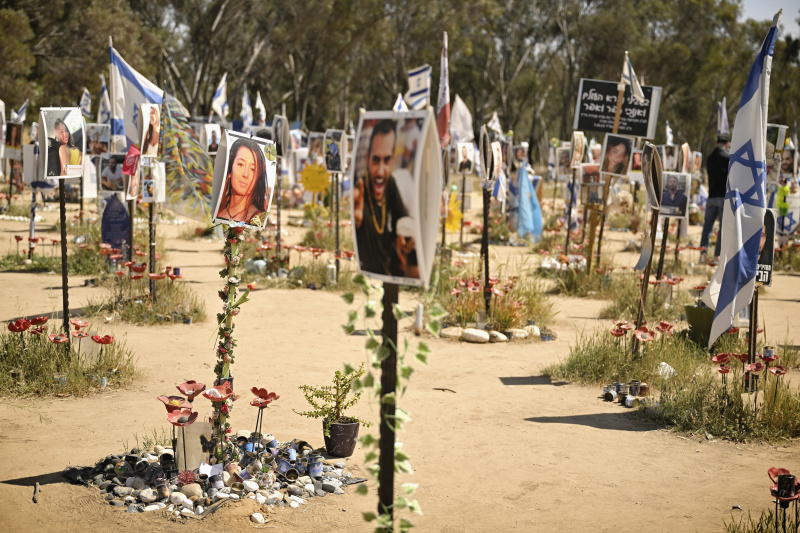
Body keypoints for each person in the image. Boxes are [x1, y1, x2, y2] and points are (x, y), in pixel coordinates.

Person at [353, 119, 417, 278]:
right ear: (367, 157)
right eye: (376, 159)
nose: (381, 172)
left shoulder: (391, 184)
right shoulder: (360, 190)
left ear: (393, 160)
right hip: (368, 280)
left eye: (387, 160)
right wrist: (356, 221)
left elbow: (400, 214)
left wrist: (403, 231)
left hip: (389, 275)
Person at [216, 137, 270, 224]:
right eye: (240, 164)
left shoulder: (259, 220)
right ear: (229, 170)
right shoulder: (217, 212)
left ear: (257, 177)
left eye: (253, 169)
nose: (245, 174)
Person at [700, 133, 731, 263]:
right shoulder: (728, 158)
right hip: (724, 196)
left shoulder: (710, 157)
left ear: (716, 143)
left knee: (707, 226)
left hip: (711, 196)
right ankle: (717, 256)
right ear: (727, 144)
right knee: (722, 228)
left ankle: (702, 253)